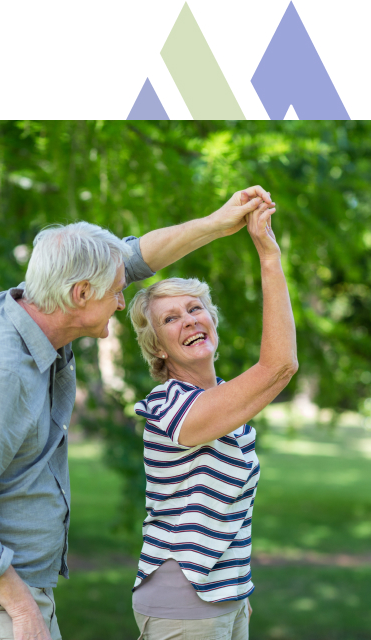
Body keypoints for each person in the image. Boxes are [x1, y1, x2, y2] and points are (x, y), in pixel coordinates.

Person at [0, 186, 274, 640]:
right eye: (114, 291)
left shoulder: (39, 307)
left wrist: (216, 223)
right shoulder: (2, 373)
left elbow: (133, 258)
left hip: (18, 582)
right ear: (81, 293)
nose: (121, 299)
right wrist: (23, 611)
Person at [128, 200, 298, 640]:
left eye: (194, 308)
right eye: (170, 318)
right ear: (159, 347)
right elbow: (279, 365)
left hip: (227, 598)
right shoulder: (167, 405)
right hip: (183, 606)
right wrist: (268, 254)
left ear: (212, 321)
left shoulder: (223, 400)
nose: (188, 320)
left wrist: (237, 595)